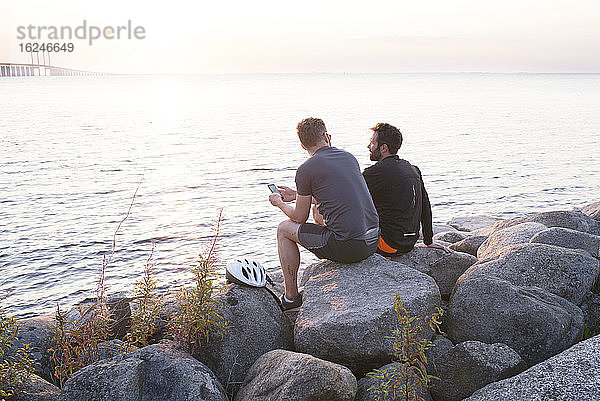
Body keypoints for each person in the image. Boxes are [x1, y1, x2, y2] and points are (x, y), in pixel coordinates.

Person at [269, 118, 379, 312]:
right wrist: (296, 196)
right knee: (316, 210)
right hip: (372, 240)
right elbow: (334, 195)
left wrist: (279, 203)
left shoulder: (306, 169)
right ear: (327, 137)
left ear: (302, 145)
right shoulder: (349, 157)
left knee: (283, 229)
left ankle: (291, 297)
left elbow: (298, 218)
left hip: (350, 247)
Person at [362, 123, 451, 256]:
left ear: (384, 148)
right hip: (408, 243)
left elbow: (350, 197)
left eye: (372, 143)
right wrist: (428, 240)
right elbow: (425, 205)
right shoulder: (413, 169)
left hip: (387, 244)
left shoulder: (375, 172)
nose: (368, 146)